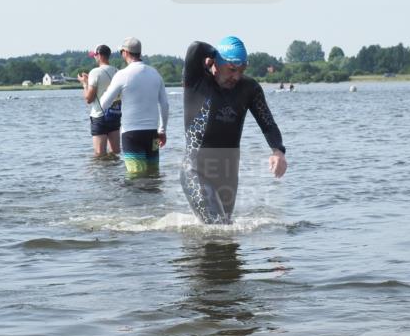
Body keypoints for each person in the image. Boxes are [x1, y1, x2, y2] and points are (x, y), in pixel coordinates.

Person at [181, 36, 287, 224]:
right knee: (217, 226)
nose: (236, 76)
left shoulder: (249, 88)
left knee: (226, 234)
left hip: (228, 171)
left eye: (241, 70)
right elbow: (195, 48)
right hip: (196, 169)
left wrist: (278, 151)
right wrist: (214, 53)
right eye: (231, 69)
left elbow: (268, 123)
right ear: (216, 62)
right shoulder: (197, 80)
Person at [99, 37, 168, 175]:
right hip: (152, 133)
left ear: (125, 52)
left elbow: (103, 103)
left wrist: (116, 94)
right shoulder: (155, 73)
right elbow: (165, 105)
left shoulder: (122, 75)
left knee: (136, 178)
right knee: (153, 175)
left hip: (131, 134)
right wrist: (162, 130)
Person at [78, 44, 121, 156]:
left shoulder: (95, 72)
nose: (94, 57)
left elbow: (89, 98)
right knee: (115, 153)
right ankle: (116, 174)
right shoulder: (117, 71)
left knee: (99, 155)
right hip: (114, 114)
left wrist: (84, 84)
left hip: (99, 116)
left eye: (95, 55)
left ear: (100, 55)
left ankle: (101, 174)